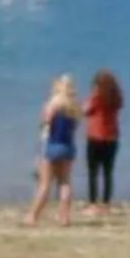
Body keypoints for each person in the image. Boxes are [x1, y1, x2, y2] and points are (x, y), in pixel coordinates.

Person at [27, 74, 79, 226]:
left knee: (45, 183)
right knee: (65, 182)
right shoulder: (74, 106)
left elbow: (45, 123)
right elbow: (74, 127)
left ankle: (33, 216)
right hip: (68, 146)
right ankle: (64, 217)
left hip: (52, 144)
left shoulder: (53, 103)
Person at [83, 67, 124, 211]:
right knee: (108, 172)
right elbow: (119, 106)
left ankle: (93, 202)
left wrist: (91, 95)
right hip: (112, 137)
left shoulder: (96, 97)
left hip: (95, 136)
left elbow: (85, 110)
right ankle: (106, 202)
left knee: (93, 172)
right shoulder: (116, 98)